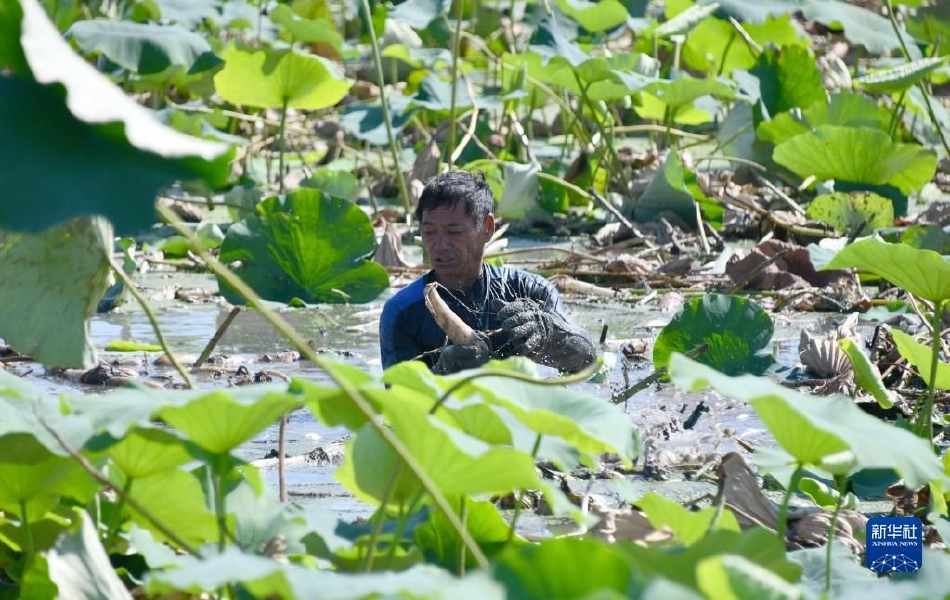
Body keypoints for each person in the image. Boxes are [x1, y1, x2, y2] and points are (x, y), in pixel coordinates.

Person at [379, 171, 596, 374]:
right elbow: (398, 402)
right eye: (429, 232)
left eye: (454, 232)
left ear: (488, 228)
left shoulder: (534, 291)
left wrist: (549, 333)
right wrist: (442, 373)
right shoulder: (402, 312)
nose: (440, 245)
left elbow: (587, 360)